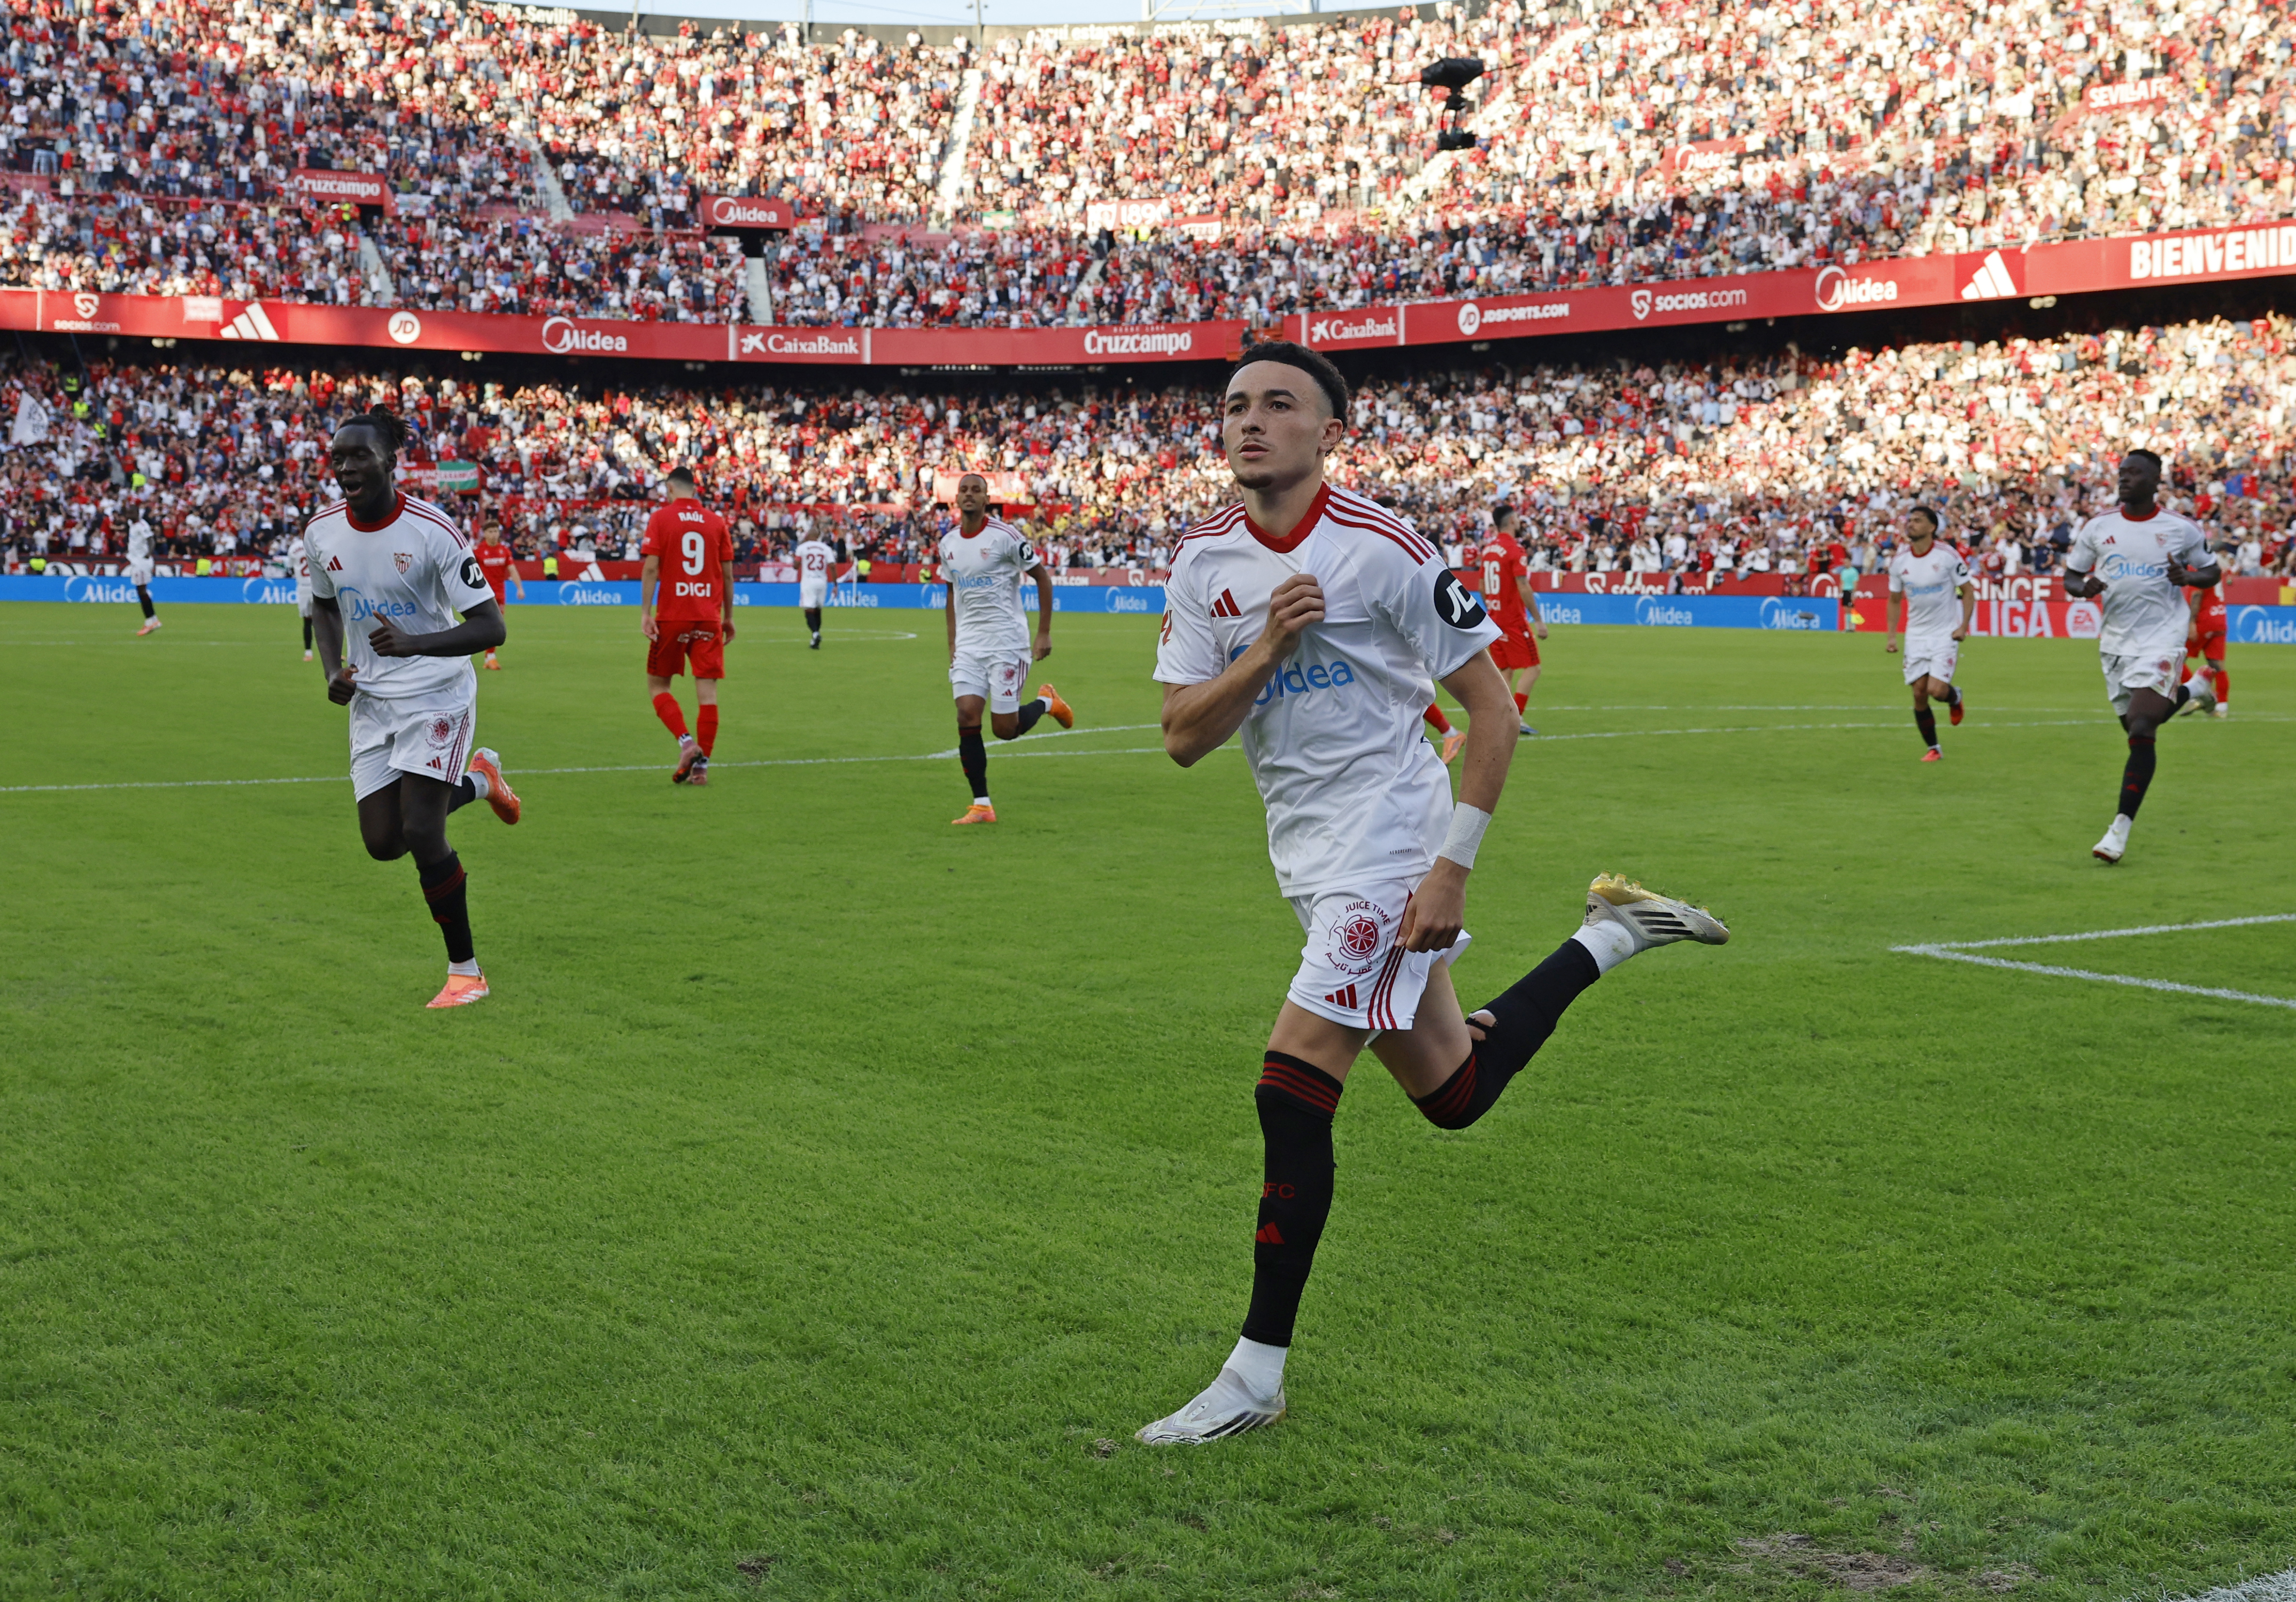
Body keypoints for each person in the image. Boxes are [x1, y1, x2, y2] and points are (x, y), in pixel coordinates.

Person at [1137, 342, 1729, 1446]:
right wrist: (1266, 645)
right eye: (1231, 405)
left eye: (1277, 404)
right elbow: (1180, 737)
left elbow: (1491, 711)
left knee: (1290, 1080)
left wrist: (1450, 862)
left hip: (1394, 841)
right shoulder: (1200, 559)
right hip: (1308, 856)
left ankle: (1253, 1375)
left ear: (1327, 432)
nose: (1247, 421)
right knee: (1451, 1094)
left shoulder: (1389, 552)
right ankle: (1609, 936)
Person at [306, 406, 521, 1010]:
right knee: (383, 842)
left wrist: (416, 644)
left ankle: (466, 973)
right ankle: (480, 782)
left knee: (423, 830)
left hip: (436, 693)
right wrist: (332, 669)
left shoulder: (434, 532)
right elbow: (323, 606)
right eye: (338, 456)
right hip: (373, 702)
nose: (346, 467)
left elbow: (491, 628)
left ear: (391, 461)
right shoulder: (321, 531)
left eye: (359, 456)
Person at [2063, 449, 2220, 864]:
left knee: (2143, 722)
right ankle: (2195, 689)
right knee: (2135, 729)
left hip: (2163, 637)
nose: (2125, 479)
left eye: (2134, 473)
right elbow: (2070, 577)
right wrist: (2084, 588)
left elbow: (2211, 571)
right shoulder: (2098, 527)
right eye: (2122, 473)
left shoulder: (2180, 529)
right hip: (2115, 643)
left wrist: (2187, 577)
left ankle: (2118, 830)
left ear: (2155, 481)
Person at [939, 473, 1072, 825]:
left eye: (976, 490)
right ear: (957, 498)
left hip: (1006, 643)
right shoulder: (948, 543)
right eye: (964, 490)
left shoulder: (1006, 537)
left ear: (986, 499)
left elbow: (1042, 577)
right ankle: (981, 804)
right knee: (966, 716)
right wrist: (953, 641)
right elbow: (951, 590)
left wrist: (1043, 632)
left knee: (1003, 728)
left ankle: (1047, 702)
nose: (969, 495)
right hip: (969, 645)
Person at [640, 467, 736, 786]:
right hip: (708, 615)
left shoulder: (661, 518)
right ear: (695, 489)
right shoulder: (716, 521)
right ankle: (701, 769)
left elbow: (651, 567)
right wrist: (729, 617)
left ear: (670, 487)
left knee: (658, 686)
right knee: (708, 695)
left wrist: (645, 612)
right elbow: (728, 575)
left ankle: (686, 743)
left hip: (673, 614)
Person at [1882, 507, 1974, 761]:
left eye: (1918, 521)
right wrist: (1892, 636)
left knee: (1936, 690)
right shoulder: (1900, 562)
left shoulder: (1947, 556)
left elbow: (1968, 592)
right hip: (1916, 635)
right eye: (1909, 521)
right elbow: (1894, 599)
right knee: (1919, 693)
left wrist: (1963, 626)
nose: (1911, 525)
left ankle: (1955, 697)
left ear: (1932, 527)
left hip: (1945, 633)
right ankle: (1934, 748)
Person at [1481, 503, 1548, 734]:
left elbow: (1481, 584)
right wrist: (1538, 620)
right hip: (1513, 618)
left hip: (1494, 618)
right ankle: (1515, 718)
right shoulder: (1514, 549)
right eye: (1518, 518)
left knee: (1506, 670)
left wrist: (1491, 606)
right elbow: (1523, 585)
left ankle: (1503, 718)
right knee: (1533, 668)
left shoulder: (1489, 549)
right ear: (1512, 521)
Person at [2180, 547, 2230, 719]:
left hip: (2204, 621)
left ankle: (2196, 694)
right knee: (2217, 665)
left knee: (2177, 659)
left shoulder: (2198, 572)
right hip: (2220, 619)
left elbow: (2197, 596)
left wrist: (2192, 622)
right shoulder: (2215, 569)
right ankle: (2222, 707)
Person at [473, 524, 525, 670]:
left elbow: (512, 570)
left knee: (496, 626)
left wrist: (520, 588)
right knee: (489, 626)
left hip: (500, 595)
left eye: (496, 531)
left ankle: (489, 658)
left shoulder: (504, 551)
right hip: (483, 595)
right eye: (490, 531)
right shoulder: (477, 552)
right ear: (484, 533)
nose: (494, 534)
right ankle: (490, 657)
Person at [795, 524, 834, 648]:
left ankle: (816, 633)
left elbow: (795, 566)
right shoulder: (825, 548)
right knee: (818, 610)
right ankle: (815, 639)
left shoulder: (802, 547)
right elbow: (832, 566)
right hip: (822, 581)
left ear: (809, 535)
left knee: (809, 609)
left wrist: (797, 561)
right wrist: (836, 584)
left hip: (808, 581)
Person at [126, 510, 160, 637]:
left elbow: (151, 540)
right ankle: (153, 620)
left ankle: (150, 621)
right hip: (136, 561)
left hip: (142, 562)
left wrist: (148, 554)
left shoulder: (142, 526)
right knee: (141, 591)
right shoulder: (132, 524)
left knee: (142, 591)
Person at [289, 524, 314, 659]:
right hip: (318, 586)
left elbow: (289, 566)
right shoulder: (317, 542)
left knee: (307, 621)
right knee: (325, 620)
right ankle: (334, 653)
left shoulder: (294, 547)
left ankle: (308, 652)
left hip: (303, 587)